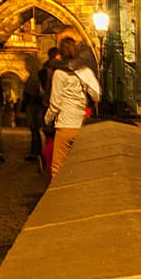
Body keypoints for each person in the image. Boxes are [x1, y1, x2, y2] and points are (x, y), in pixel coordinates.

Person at [42, 35, 100, 178]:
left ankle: (57, 197)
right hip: (81, 123)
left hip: (65, 125)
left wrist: (47, 119)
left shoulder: (59, 73)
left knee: (58, 167)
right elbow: (96, 94)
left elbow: (55, 104)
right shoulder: (84, 71)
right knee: (80, 165)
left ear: (60, 53)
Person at [20, 62, 45, 166]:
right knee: (34, 130)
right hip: (33, 104)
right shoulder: (32, 77)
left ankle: (36, 152)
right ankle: (36, 151)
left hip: (33, 105)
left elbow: (33, 92)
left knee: (34, 129)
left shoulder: (35, 77)